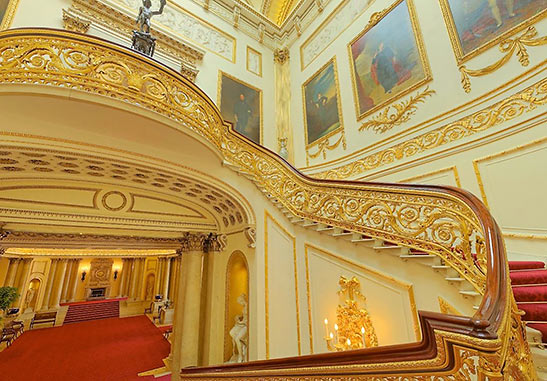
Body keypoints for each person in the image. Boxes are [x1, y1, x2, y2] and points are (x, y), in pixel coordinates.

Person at [229, 294, 248, 363]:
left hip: (246, 325)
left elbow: (248, 319)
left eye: (240, 302)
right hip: (243, 324)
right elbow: (244, 316)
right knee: (231, 332)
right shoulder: (244, 307)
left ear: (242, 300)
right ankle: (242, 343)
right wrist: (238, 317)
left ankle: (241, 356)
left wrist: (241, 322)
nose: (240, 303)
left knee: (237, 338)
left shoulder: (248, 307)